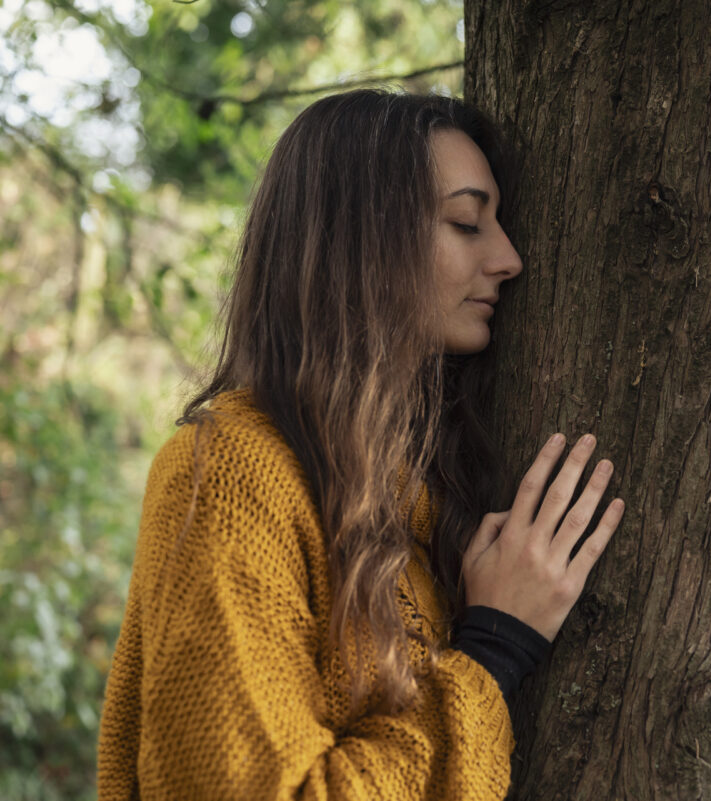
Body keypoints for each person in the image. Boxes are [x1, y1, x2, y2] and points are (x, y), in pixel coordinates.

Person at [96, 89, 625, 800]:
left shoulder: (423, 483)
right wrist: (493, 650)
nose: (509, 257)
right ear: (364, 237)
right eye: (467, 222)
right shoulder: (230, 472)